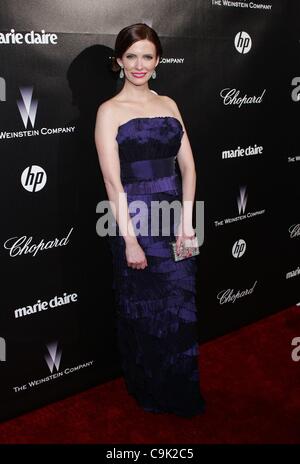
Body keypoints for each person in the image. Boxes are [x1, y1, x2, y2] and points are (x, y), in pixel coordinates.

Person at [94, 23, 205, 417]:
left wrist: (188, 222)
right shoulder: (109, 111)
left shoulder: (170, 104)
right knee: (144, 311)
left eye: (147, 56)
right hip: (135, 221)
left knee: (180, 307)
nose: (139, 65)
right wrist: (130, 241)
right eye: (131, 57)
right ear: (119, 61)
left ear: (157, 61)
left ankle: (181, 387)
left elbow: (189, 168)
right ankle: (151, 389)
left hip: (177, 218)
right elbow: (112, 181)